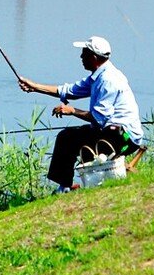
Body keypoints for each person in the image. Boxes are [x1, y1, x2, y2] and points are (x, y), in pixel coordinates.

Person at [18, 36, 144, 192]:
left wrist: (72, 111)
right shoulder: (98, 76)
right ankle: (65, 186)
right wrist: (35, 87)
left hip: (124, 138)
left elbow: (99, 118)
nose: (81, 57)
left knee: (75, 140)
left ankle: (71, 187)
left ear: (94, 57)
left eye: (84, 53)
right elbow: (69, 90)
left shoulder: (109, 80)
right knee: (67, 136)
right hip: (110, 131)